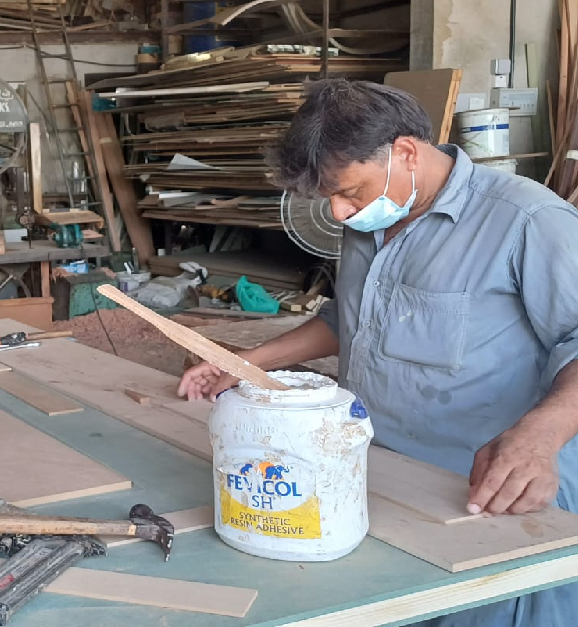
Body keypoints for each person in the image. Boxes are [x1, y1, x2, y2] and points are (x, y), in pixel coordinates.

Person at [178, 78, 578, 626]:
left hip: (486, 493)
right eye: (329, 198)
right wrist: (248, 364)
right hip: (375, 474)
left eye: (350, 192)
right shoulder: (377, 216)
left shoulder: (527, 220)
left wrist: (540, 437)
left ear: (406, 152)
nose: (340, 213)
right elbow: (351, 322)